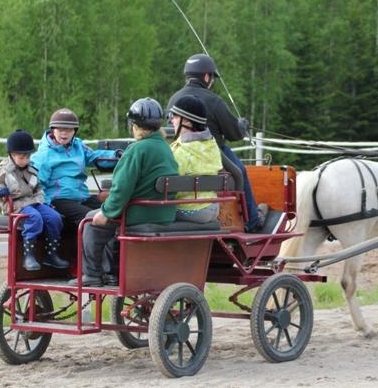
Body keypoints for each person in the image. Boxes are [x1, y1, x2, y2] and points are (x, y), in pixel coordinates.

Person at [69, 98, 179, 287]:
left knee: (90, 221)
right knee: (104, 222)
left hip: (140, 212)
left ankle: (92, 275)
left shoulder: (137, 149)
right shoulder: (165, 148)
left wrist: (106, 212)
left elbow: (121, 188)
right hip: (163, 212)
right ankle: (111, 274)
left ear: (135, 125)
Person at [168, 53, 268, 232]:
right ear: (206, 77)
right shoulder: (214, 101)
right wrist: (241, 126)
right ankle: (252, 219)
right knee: (241, 171)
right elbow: (234, 133)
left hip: (181, 148)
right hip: (213, 151)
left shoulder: (174, 98)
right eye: (211, 77)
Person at [0, 129, 69, 271]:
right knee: (34, 217)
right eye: (21, 157)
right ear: (12, 155)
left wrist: (43, 202)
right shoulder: (4, 170)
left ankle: (51, 255)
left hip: (33, 202)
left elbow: (38, 187)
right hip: (15, 204)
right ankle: (29, 256)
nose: (25, 160)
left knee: (54, 217)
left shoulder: (31, 169)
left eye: (27, 156)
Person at [31, 108, 119, 228]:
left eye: (69, 130)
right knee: (92, 219)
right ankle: (88, 247)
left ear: (74, 131)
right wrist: (47, 207)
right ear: (53, 130)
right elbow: (38, 185)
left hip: (81, 197)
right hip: (59, 200)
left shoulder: (78, 146)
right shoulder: (44, 155)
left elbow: (95, 157)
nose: (64, 133)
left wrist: (118, 156)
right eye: (60, 129)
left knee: (113, 211)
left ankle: (114, 245)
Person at [168, 95, 222, 223]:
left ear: (186, 121)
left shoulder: (181, 152)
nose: (172, 121)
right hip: (212, 206)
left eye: (175, 117)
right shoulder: (211, 145)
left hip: (191, 209)